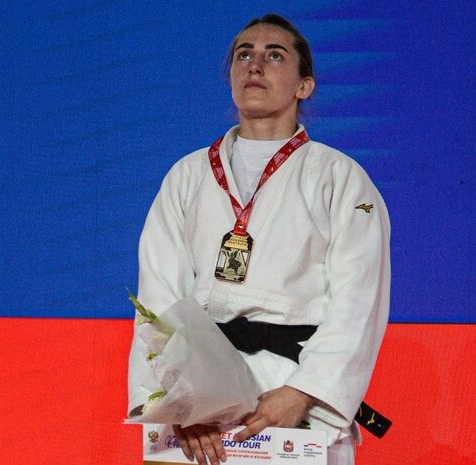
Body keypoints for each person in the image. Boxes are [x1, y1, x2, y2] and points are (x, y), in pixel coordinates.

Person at [128, 14, 391, 465]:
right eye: (243, 55)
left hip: (295, 391)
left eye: (275, 56)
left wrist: (305, 391)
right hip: (202, 400)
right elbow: (159, 294)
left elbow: (359, 299)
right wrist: (180, 402)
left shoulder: (341, 178)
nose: (255, 64)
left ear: (304, 86)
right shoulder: (187, 176)